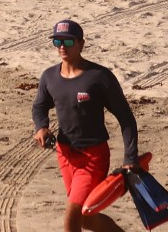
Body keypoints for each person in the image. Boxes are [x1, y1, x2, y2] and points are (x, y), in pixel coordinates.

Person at [31, 19, 143, 232]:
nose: (62, 47)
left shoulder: (99, 77)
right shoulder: (49, 77)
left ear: (81, 44)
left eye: (68, 42)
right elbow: (39, 107)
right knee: (86, 218)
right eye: (57, 41)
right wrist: (41, 126)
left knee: (72, 216)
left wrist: (131, 157)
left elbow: (126, 118)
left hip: (93, 158)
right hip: (65, 156)